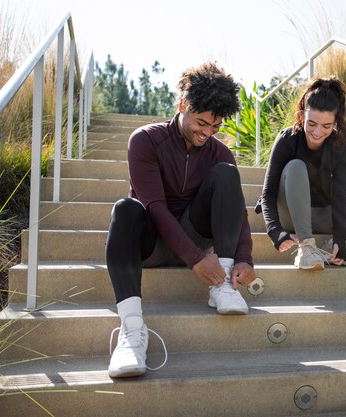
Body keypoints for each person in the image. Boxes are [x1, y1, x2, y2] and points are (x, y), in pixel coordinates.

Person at [105, 62, 256, 378]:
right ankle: (132, 332)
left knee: (227, 173)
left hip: (195, 233)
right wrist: (196, 259)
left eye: (215, 127)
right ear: (182, 105)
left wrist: (244, 257)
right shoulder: (145, 140)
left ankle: (224, 285)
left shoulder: (219, 153)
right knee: (125, 209)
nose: (207, 133)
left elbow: (238, 211)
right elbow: (156, 208)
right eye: (201, 122)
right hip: (152, 244)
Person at [258, 77, 346, 270]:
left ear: (335, 123)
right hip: (289, 214)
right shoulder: (287, 139)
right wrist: (274, 230)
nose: (317, 132)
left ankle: (331, 247)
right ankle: (307, 249)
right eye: (312, 123)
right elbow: (268, 193)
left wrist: (340, 239)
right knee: (296, 166)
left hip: (324, 216)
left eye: (326, 126)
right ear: (301, 117)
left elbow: (340, 197)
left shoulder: (342, 148)